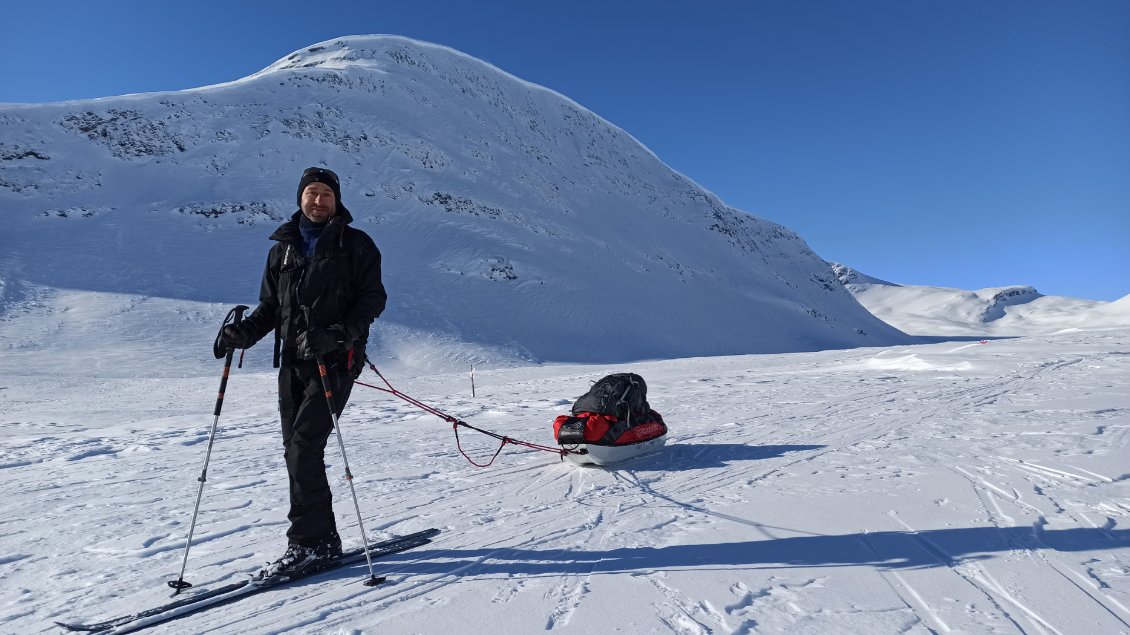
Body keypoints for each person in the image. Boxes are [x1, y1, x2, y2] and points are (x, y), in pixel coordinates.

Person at [221, 166, 387, 578]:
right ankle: (322, 539)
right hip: (293, 363)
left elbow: (372, 301)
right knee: (295, 452)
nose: (318, 201)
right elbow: (270, 309)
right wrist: (242, 334)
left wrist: (338, 335)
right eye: (311, 193)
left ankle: (310, 544)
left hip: (335, 361)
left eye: (326, 195)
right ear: (300, 198)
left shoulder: (356, 245)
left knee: (304, 449)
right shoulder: (283, 249)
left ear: (337, 201)